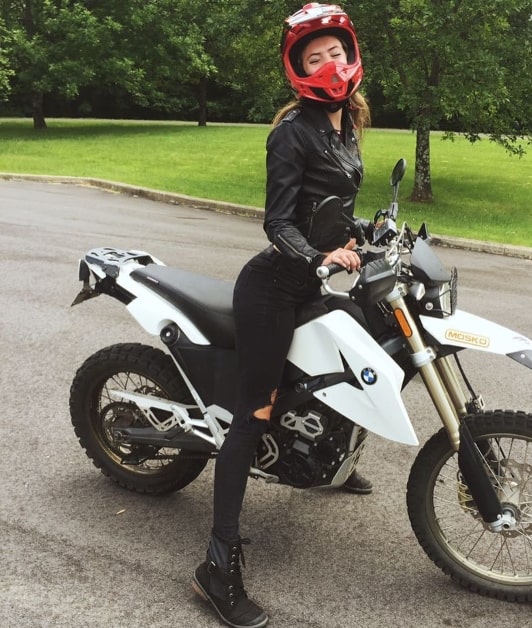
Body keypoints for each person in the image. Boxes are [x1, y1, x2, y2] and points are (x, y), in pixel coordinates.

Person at [192, 4, 374, 627]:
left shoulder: (345, 123)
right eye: (313, 56)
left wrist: (366, 235)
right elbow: (279, 222)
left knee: (361, 346)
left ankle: (328, 458)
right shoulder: (293, 130)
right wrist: (321, 257)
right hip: (273, 288)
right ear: (298, 69)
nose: (328, 64)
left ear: (351, 57)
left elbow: (331, 205)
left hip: (310, 279)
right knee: (255, 412)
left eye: (334, 52)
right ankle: (217, 565)